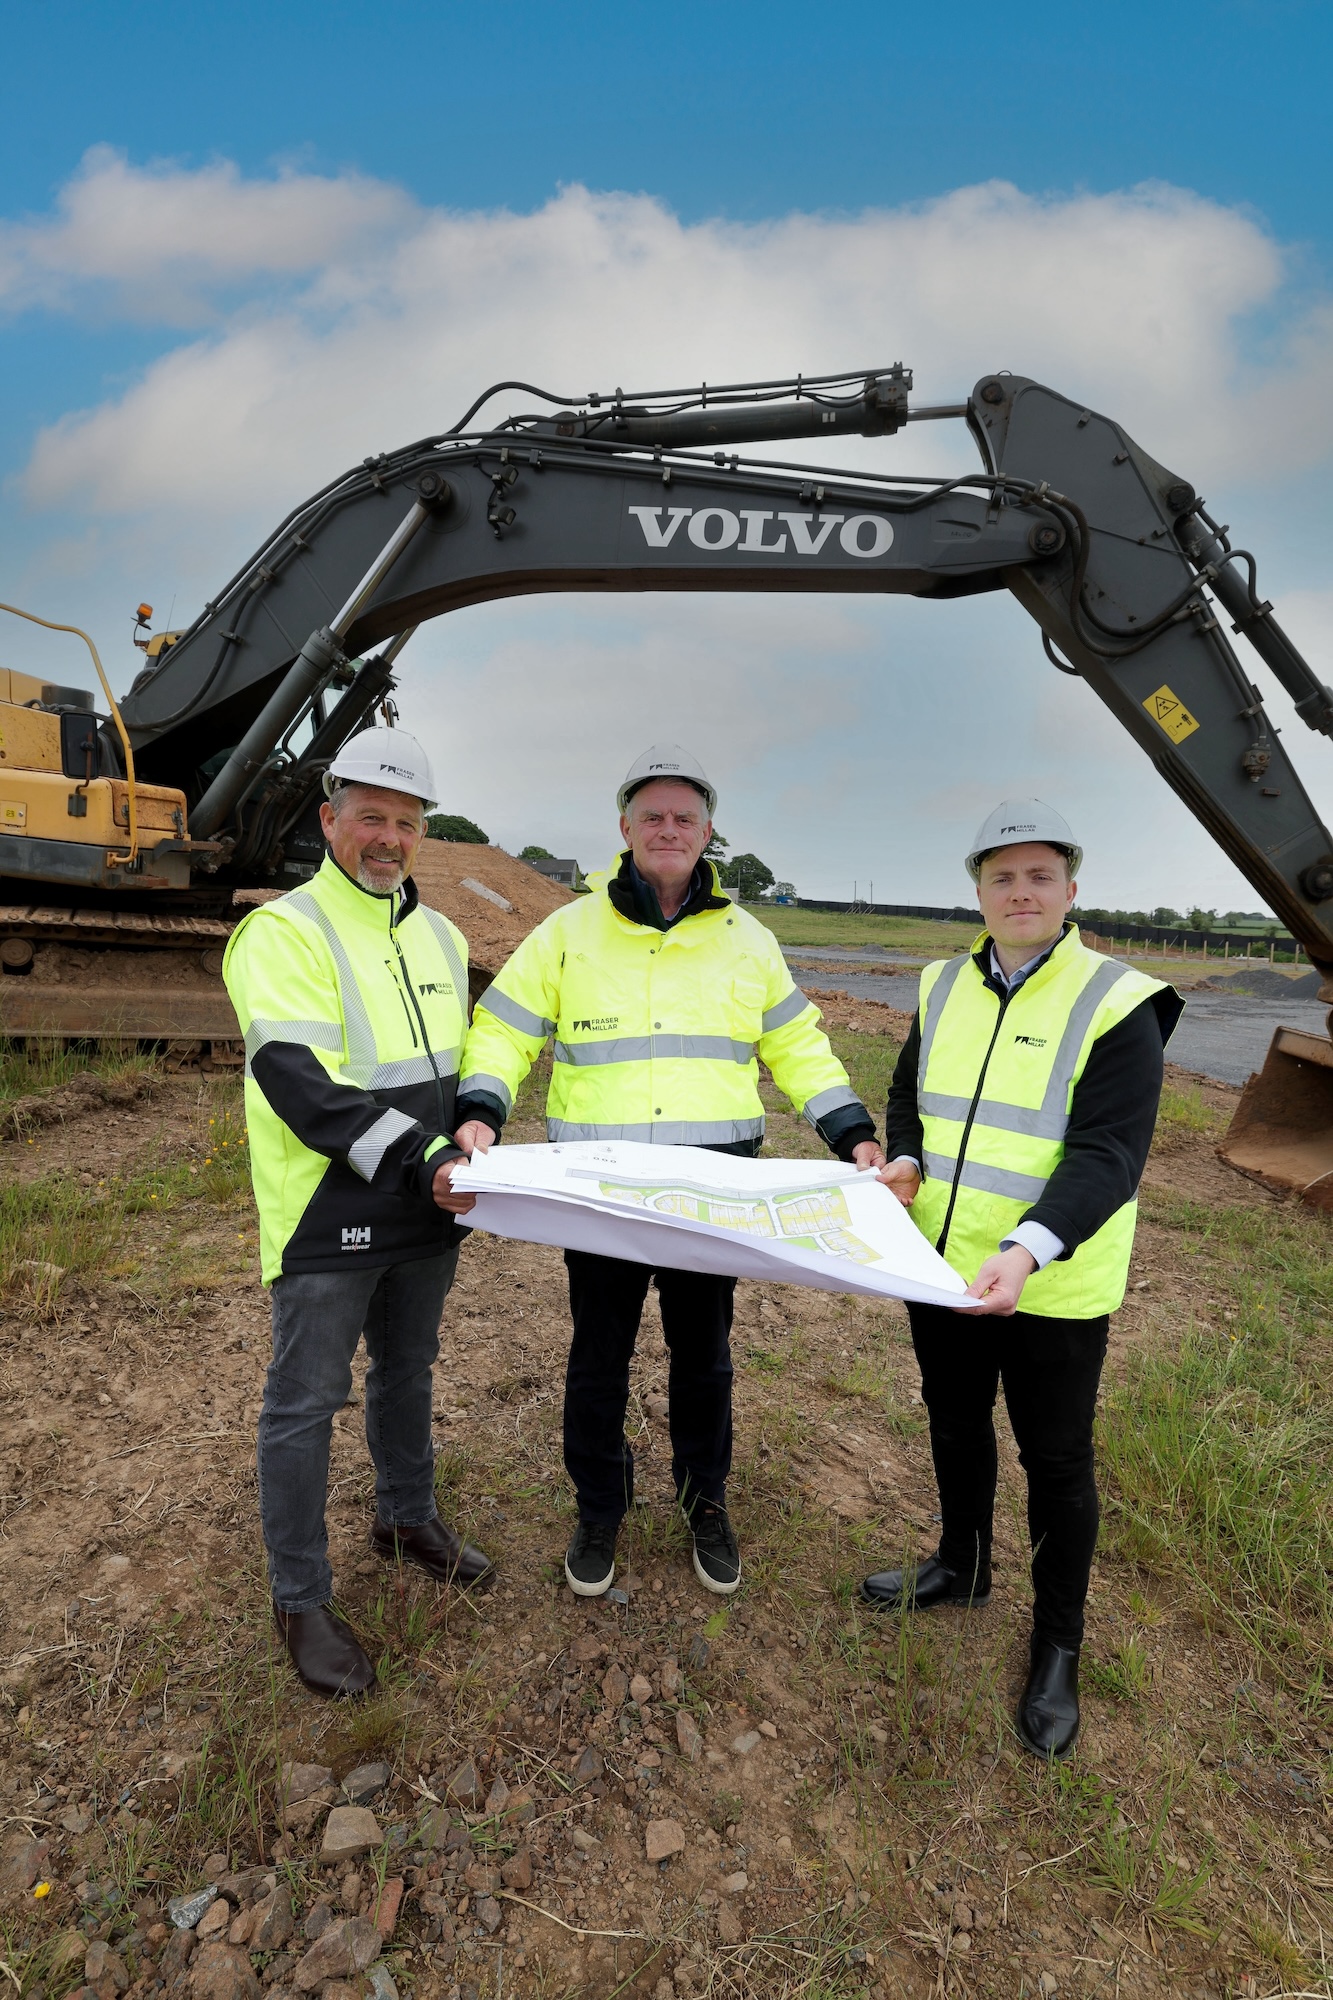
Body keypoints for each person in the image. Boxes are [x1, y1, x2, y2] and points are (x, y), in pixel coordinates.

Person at [454, 744, 885, 1598]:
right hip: (600, 1191)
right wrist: (480, 1107)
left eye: (684, 817)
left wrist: (851, 1133)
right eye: (651, 815)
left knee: (704, 1357)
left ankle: (705, 1504)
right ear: (623, 829)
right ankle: (599, 1508)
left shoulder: (746, 938)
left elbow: (796, 1044)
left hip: (711, 1192)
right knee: (598, 1356)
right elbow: (504, 1027)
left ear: (707, 833)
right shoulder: (569, 931)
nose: (668, 829)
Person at [859, 800, 1182, 1760]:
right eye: (1002, 876)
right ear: (978, 891)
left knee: (1056, 1464)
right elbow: (908, 1096)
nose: (1020, 891)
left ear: (1071, 890)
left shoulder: (1118, 1001)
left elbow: (1107, 1154)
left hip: (1049, 1287)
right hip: (944, 1269)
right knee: (954, 1426)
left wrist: (1029, 1247)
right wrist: (906, 1159)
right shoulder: (940, 984)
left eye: (1040, 875)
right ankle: (960, 1566)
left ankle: (1056, 1647)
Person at [223, 726, 492, 1700]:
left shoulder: (442, 935)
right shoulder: (284, 930)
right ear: (330, 818)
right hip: (328, 1211)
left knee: (409, 1367)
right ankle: (299, 1597)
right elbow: (300, 1082)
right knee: (304, 1403)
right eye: (370, 816)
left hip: (423, 1206)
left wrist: (470, 1129)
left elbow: (455, 1073)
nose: (387, 836)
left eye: (405, 821)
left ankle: (404, 1514)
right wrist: (424, 1155)